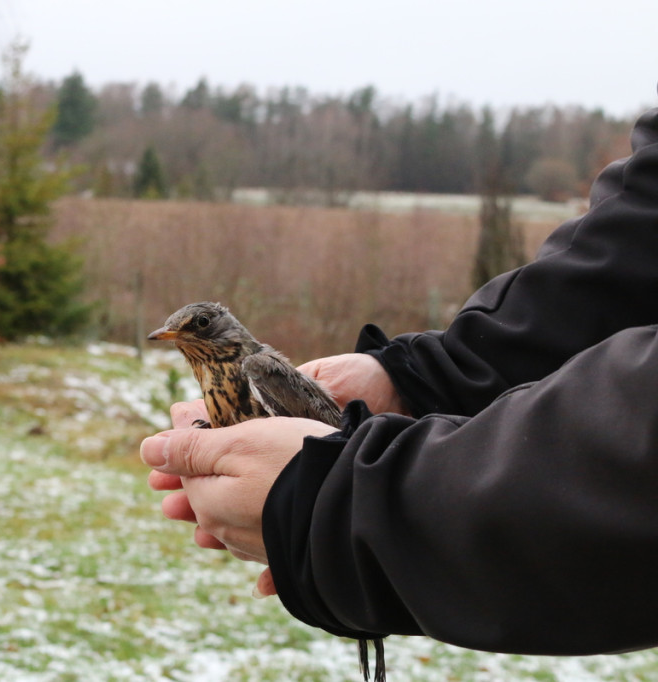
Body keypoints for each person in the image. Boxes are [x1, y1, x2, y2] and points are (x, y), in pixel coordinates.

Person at [141, 102, 658, 656]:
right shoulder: (217, 375)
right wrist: (412, 379)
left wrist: (339, 509)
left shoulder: (257, 369)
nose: (177, 335)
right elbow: (631, 249)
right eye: (176, 330)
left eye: (193, 326)